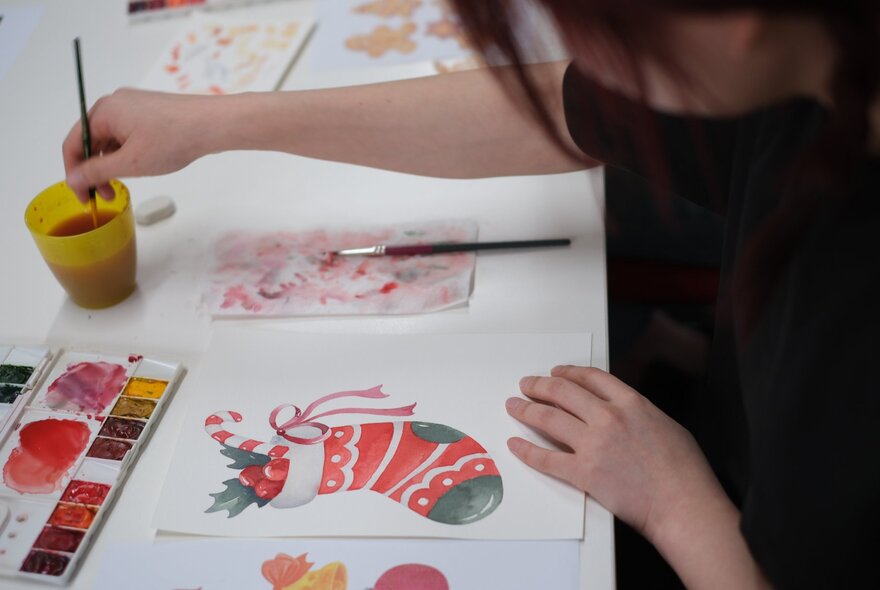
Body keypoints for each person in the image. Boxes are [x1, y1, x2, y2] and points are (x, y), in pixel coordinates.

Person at [63, 2, 879, 588]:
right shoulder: (812, 65)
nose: (592, 57)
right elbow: (557, 113)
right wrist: (213, 124)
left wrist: (677, 501)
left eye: (602, 28)